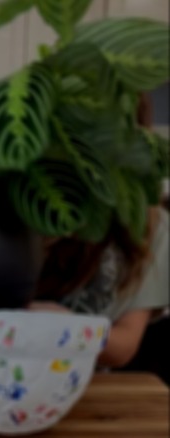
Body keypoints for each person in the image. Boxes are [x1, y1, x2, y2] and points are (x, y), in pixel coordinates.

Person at [26, 94, 169, 369]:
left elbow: (124, 345)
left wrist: (65, 327)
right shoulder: (29, 199)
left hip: (82, 381)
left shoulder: (153, 227)